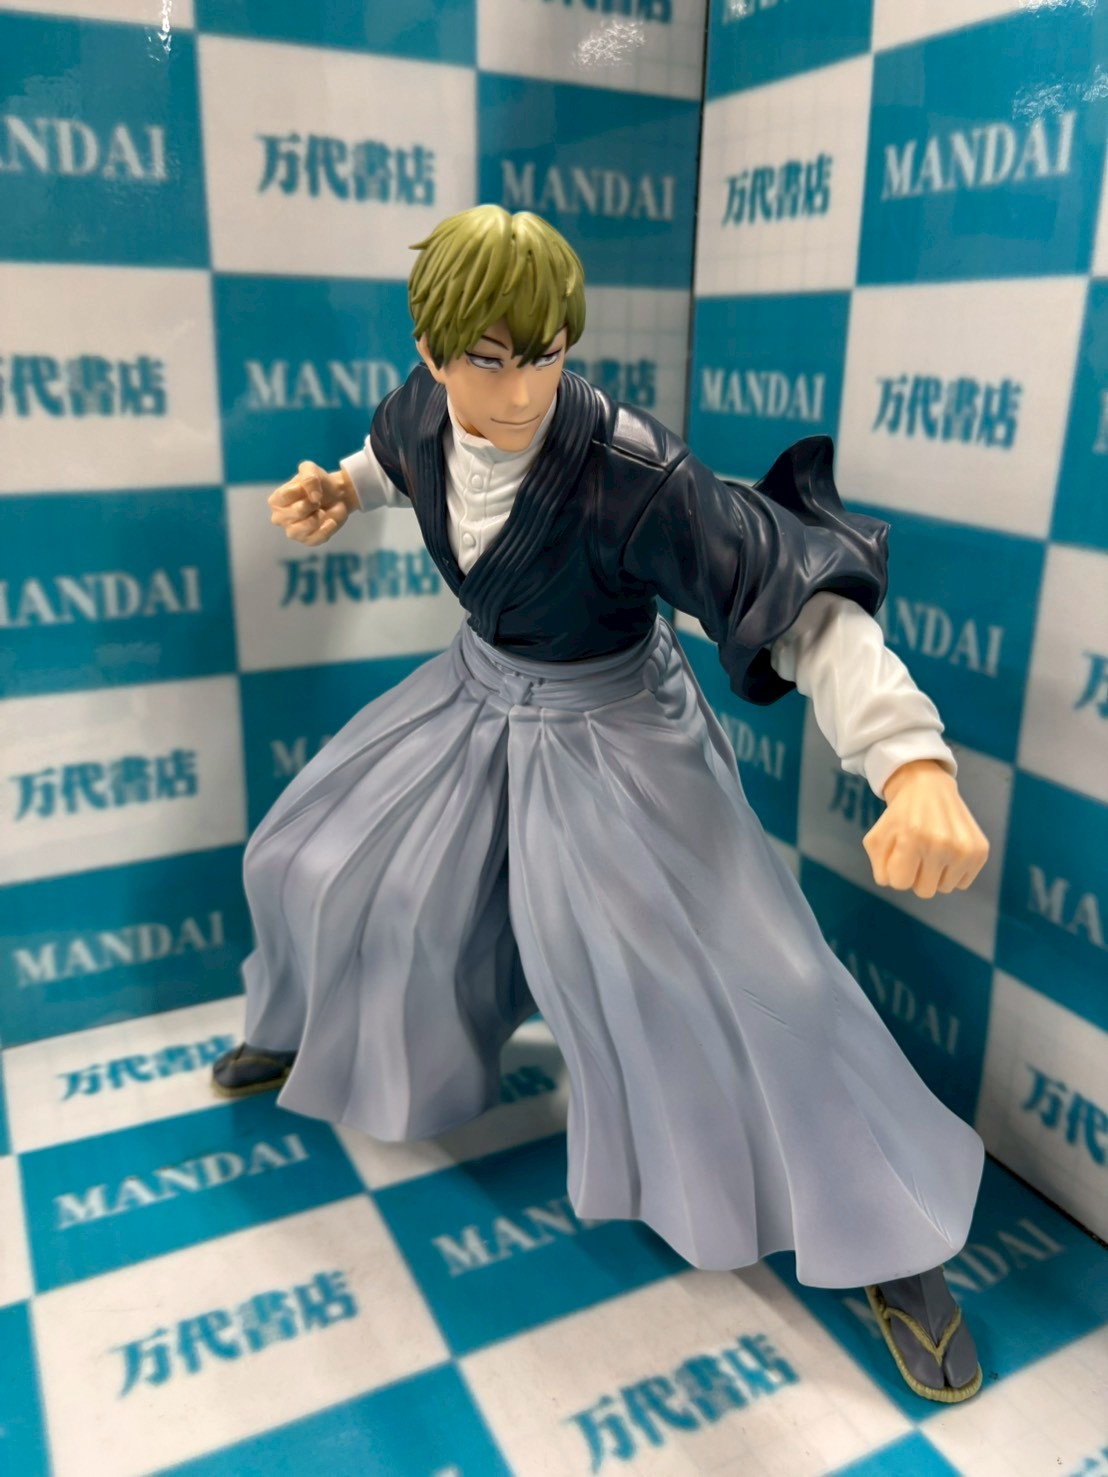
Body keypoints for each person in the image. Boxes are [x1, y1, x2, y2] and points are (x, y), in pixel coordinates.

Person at [213, 205, 990, 1404]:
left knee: (764, 975)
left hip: (614, 726)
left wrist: (911, 763)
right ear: (432, 355)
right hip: (479, 693)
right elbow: (399, 459)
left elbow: (791, 598)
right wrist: (342, 487)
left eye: (547, 354)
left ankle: (893, 1237)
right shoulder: (420, 412)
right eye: (489, 359)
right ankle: (310, 1017)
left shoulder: (637, 472)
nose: (522, 387)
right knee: (317, 854)